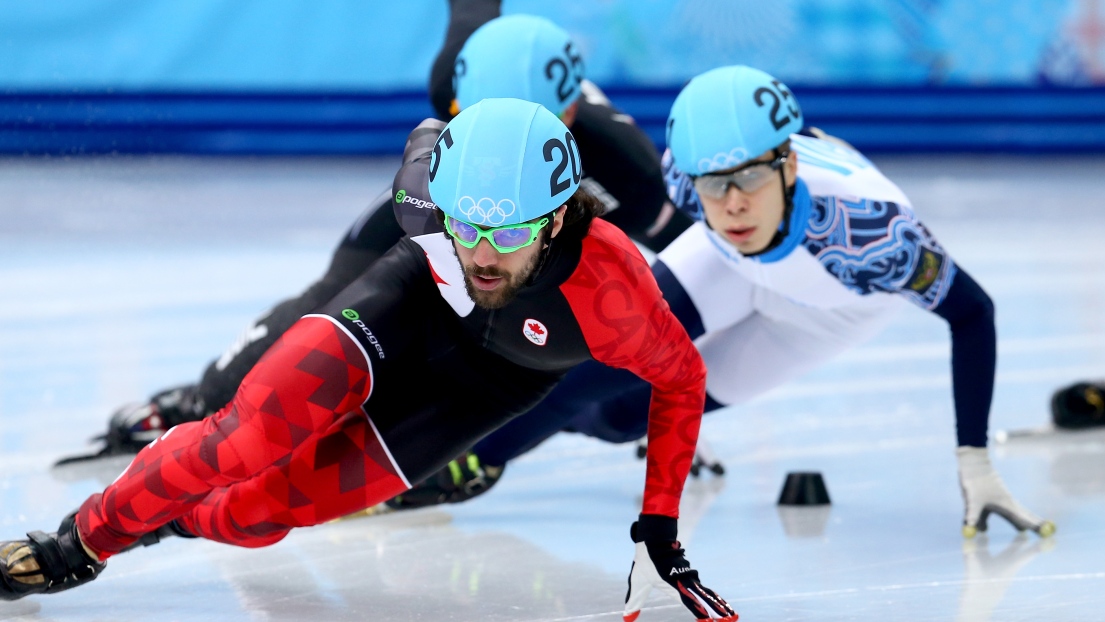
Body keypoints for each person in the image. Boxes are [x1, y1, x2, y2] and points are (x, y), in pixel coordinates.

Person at [1, 98, 738, 622]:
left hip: (486, 385)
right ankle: (79, 542)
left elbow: (683, 382)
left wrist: (658, 525)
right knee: (247, 437)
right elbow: (431, 136)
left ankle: (169, 517)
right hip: (409, 302)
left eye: (510, 235)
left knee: (262, 512)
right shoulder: (426, 200)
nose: (482, 254)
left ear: (557, 218)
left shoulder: (613, 293)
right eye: (468, 226)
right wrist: (81, 544)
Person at [400, 65, 1057, 540]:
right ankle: (461, 456)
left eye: (748, 179)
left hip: (826, 310)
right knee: (591, 362)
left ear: (789, 166)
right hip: (725, 261)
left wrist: (974, 460)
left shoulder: (874, 238)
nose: (732, 202)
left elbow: (973, 314)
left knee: (624, 418)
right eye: (714, 185)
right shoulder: (693, 188)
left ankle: (504, 433)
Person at [78, 10, 693, 470]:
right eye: (473, 118)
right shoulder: (453, 73)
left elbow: (696, 271)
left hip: (529, 260)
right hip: (445, 197)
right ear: (456, 98)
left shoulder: (625, 167)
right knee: (334, 291)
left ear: (568, 123)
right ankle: (198, 398)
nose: (493, 145)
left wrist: (669, 414)